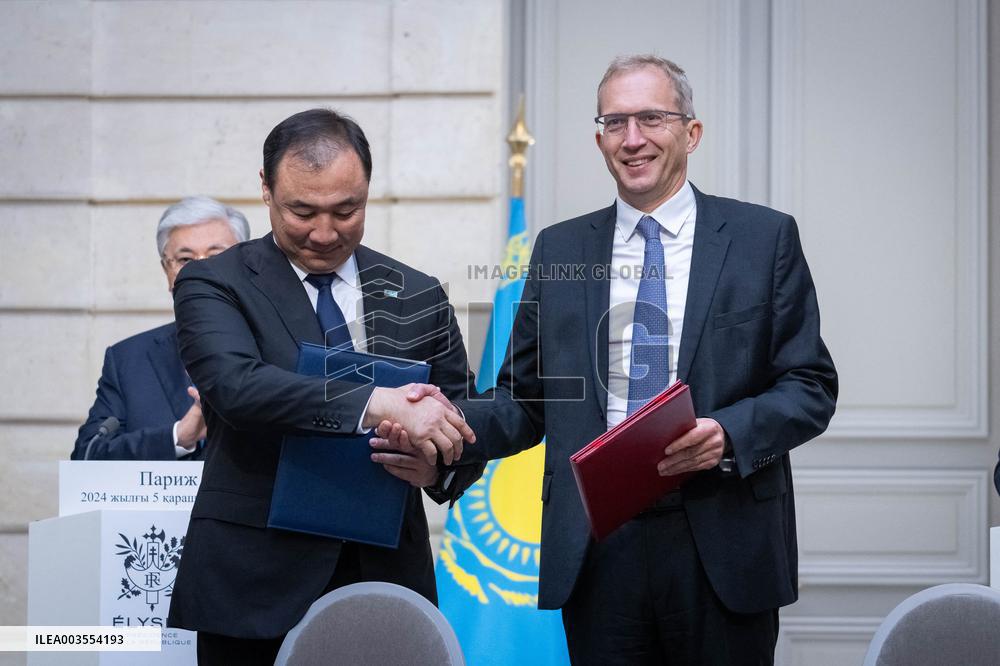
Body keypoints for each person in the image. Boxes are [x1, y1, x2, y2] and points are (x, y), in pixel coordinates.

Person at [380, 54, 838, 664]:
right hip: (597, 545)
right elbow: (525, 400)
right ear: (599, 138)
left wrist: (728, 434)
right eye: (614, 122)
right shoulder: (561, 248)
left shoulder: (763, 239)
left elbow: (809, 385)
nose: (633, 139)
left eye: (652, 117)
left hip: (723, 539)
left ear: (691, 132)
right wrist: (444, 433)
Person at [165, 108, 482, 665]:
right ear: (266, 191)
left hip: (385, 582)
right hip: (252, 584)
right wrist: (379, 402)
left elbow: (465, 415)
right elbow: (239, 387)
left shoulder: (416, 292)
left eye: (346, 210)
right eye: (302, 211)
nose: (325, 232)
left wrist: (437, 465)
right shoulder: (214, 282)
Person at [72, 196, 250, 461]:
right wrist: (178, 437)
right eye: (185, 259)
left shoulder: (279, 344)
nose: (200, 270)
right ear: (167, 271)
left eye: (217, 256)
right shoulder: (128, 360)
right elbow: (87, 458)